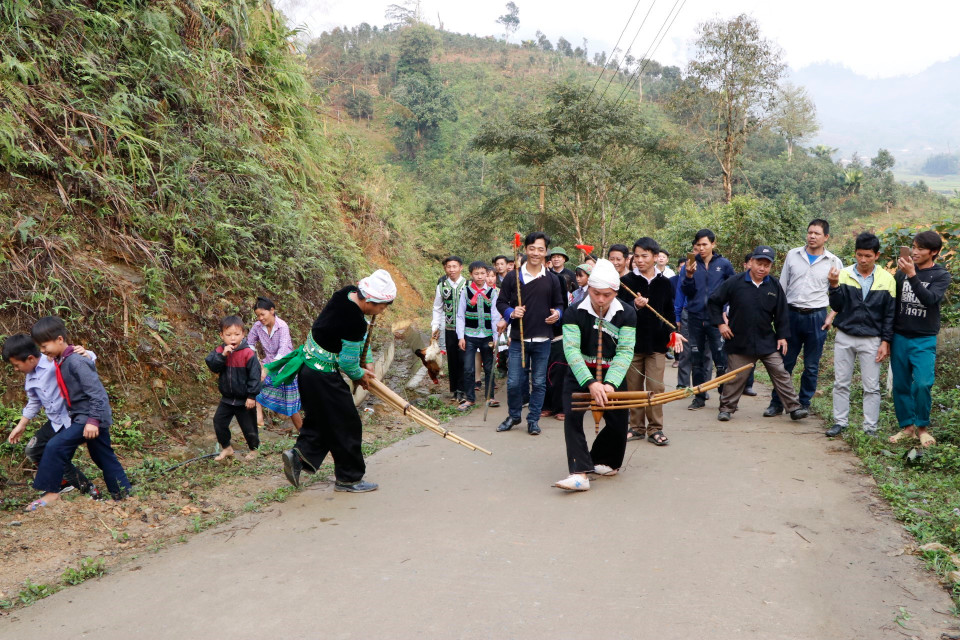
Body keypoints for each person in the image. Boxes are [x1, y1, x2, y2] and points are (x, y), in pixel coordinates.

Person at [276, 270, 397, 492]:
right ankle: (349, 479)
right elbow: (349, 364)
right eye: (382, 306)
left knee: (324, 419)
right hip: (323, 376)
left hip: (308, 369)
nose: (382, 310)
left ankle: (299, 457)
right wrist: (361, 376)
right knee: (347, 423)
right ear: (369, 300)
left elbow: (356, 341)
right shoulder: (354, 322)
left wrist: (367, 360)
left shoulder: (347, 293)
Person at [25, 316, 133, 510]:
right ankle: (123, 494)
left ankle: (51, 493)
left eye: (44, 346)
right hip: (84, 416)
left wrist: (93, 420)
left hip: (90, 416)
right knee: (102, 456)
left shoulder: (76, 361)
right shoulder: (62, 359)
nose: (42, 351)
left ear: (59, 339)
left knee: (55, 445)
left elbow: (98, 393)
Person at [554, 259, 637, 491]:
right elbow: (571, 349)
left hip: (613, 373)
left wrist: (610, 383)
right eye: (596, 293)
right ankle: (579, 472)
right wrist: (590, 383)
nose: (600, 300)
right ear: (588, 288)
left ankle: (605, 459)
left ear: (616, 292)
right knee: (572, 416)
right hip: (581, 373)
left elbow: (625, 350)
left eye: (607, 295)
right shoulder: (574, 312)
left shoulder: (627, 313)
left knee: (619, 420)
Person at [708, 247, 809, 422]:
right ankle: (726, 409)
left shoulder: (774, 285)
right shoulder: (735, 282)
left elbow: (781, 313)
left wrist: (782, 336)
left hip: (766, 341)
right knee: (735, 377)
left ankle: (794, 407)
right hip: (739, 340)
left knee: (780, 372)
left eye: (766, 265)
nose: (762, 268)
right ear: (751, 262)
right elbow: (714, 302)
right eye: (759, 263)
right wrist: (721, 324)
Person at [764, 219, 842, 417]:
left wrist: (831, 315)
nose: (812, 236)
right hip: (791, 314)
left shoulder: (834, 261)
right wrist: (778, 317)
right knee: (784, 362)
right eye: (809, 232)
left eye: (817, 233)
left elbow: (840, 295)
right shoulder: (793, 255)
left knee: (811, 365)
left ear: (826, 237)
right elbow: (782, 287)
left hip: (817, 317)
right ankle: (777, 403)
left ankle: (804, 403)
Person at [3, 335, 98, 497]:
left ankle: (89, 490)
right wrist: (22, 424)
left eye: (16, 365)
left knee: (57, 454)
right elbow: (34, 401)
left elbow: (80, 359)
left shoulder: (52, 361)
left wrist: (86, 353)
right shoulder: (30, 378)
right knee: (34, 450)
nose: (16, 369)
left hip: (72, 418)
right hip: (55, 421)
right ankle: (63, 483)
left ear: (30, 358)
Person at [824, 232, 895, 437]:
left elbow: (889, 315)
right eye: (859, 255)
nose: (863, 260)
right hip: (845, 335)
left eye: (868, 256)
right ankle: (840, 422)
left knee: (871, 386)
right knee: (841, 382)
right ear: (854, 253)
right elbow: (836, 305)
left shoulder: (887, 279)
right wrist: (834, 285)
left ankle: (870, 427)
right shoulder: (844, 274)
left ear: (877, 255)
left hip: (872, 339)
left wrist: (885, 341)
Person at [495, 231, 566, 435]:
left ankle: (533, 419)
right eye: (532, 248)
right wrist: (510, 312)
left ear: (546, 252)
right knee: (514, 382)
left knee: (539, 382)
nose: (536, 253)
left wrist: (557, 314)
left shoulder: (552, 279)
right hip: (519, 339)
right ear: (525, 249)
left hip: (544, 339)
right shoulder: (513, 277)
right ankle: (514, 416)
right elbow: (501, 302)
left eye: (540, 249)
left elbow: (560, 304)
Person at [888, 231, 952, 447]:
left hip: (924, 339)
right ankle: (907, 428)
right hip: (900, 336)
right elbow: (892, 305)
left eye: (920, 248)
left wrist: (913, 276)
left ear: (933, 252)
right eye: (913, 247)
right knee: (900, 384)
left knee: (923, 383)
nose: (914, 252)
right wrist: (886, 338)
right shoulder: (900, 274)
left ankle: (922, 428)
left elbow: (930, 299)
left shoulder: (941, 275)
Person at [620, 237, 681, 445]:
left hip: (657, 344)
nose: (639, 260)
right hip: (632, 344)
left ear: (656, 257)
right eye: (636, 256)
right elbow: (619, 310)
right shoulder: (627, 281)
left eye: (644, 256)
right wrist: (634, 305)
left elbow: (669, 311)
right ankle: (636, 427)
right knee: (634, 388)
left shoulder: (664, 283)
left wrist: (673, 331)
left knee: (656, 388)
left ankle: (655, 429)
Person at [680, 229, 736, 410]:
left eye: (705, 244)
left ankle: (725, 398)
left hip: (716, 319)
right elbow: (686, 292)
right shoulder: (689, 265)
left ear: (713, 244)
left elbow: (733, 290)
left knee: (721, 359)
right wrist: (688, 275)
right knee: (696, 360)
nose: (701, 248)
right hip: (695, 317)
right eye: (698, 245)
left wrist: (727, 311)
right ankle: (699, 397)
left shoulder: (724, 264)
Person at [205, 316, 263, 462]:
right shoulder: (220, 351)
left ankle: (254, 449)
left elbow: (255, 376)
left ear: (243, 334)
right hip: (227, 398)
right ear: (221, 335)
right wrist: (223, 356)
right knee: (219, 422)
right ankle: (227, 448)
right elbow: (212, 366)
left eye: (237, 335)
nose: (233, 338)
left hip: (245, 400)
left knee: (248, 426)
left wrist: (251, 396)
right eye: (228, 335)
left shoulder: (248, 353)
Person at [248, 297, 302, 433]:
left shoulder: (282, 326)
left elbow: (283, 351)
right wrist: (256, 363)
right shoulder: (257, 326)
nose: (260, 318)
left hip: (286, 368)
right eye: (258, 315)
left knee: (292, 407)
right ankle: (258, 415)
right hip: (268, 364)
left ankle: (303, 434)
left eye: (262, 314)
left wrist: (267, 369)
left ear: (272, 310)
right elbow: (249, 344)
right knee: (253, 385)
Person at [456, 262, 501, 411]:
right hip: (470, 335)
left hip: (487, 336)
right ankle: (470, 399)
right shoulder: (465, 292)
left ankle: (490, 397)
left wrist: (495, 338)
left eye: (483, 273)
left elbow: (495, 316)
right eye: (477, 274)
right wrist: (460, 337)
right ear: (471, 275)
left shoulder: (493, 293)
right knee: (468, 368)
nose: (480, 277)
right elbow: (460, 315)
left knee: (489, 367)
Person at [544, 247, 576, 420]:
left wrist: (557, 315)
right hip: (535, 332)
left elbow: (564, 305)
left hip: (557, 331)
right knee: (540, 373)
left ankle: (561, 407)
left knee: (558, 370)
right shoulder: (524, 279)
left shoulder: (560, 279)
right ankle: (546, 405)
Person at [431, 256, 467, 402]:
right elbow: (437, 308)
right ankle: (456, 390)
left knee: (465, 359)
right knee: (452, 359)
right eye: (448, 267)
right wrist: (435, 326)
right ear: (445, 268)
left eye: (454, 266)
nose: (452, 270)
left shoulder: (468, 284)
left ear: (461, 267)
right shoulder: (442, 286)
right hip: (450, 328)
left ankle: (464, 389)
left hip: (466, 329)